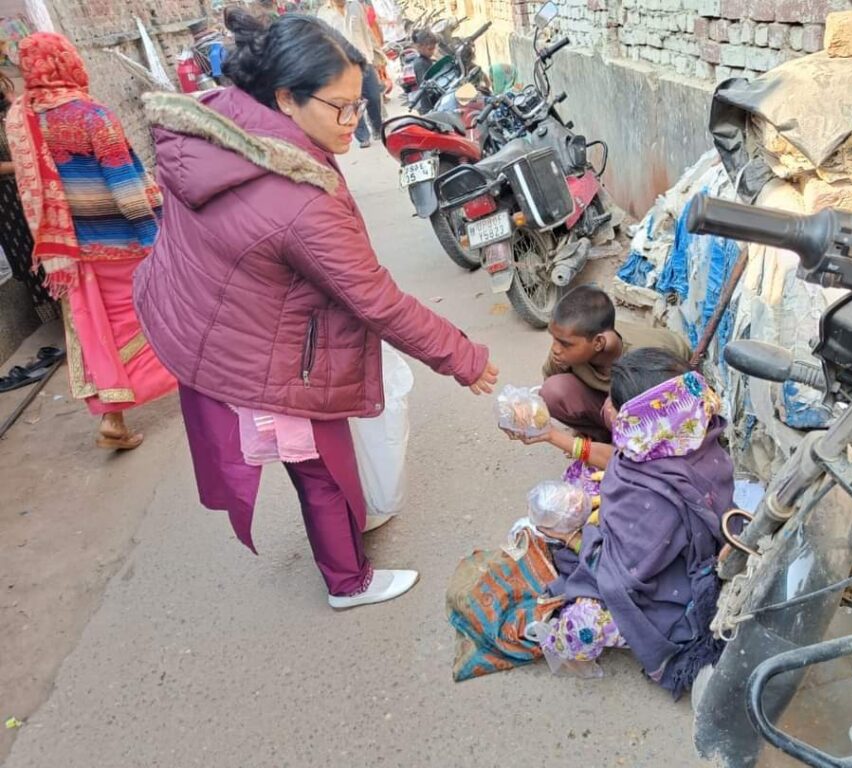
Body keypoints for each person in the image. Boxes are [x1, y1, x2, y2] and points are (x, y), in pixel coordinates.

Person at [134, 10, 498, 610]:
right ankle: (347, 582)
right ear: (285, 97)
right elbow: (375, 298)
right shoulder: (299, 201)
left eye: (360, 105)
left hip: (212, 318)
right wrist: (464, 356)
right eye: (341, 108)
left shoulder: (219, 125)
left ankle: (348, 550)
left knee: (316, 464)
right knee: (321, 466)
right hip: (259, 345)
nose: (355, 125)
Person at [7, 34, 176, 449]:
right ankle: (196, 380)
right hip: (121, 241)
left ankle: (113, 417)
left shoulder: (22, 120)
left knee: (96, 328)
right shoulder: (90, 115)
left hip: (68, 251)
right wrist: (156, 239)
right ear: (68, 62)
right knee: (153, 311)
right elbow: (123, 183)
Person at [541, 348, 735, 697]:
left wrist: (574, 539)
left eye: (615, 407)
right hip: (677, 549)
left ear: (640, 421)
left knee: (577, 630)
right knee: (581, 482)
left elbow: (626, 574)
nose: (609, 411)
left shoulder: (651, 494)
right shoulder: (695, 439)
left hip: (670, 591)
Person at [540, 285, 691, 442]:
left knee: (611, 408)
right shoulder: (575, 341)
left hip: (659, 398)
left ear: (598, 343)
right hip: (615, 401)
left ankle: (626, 452)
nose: (555, 349)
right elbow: (550, 379)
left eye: (564, 344)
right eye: (554, 339)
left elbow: (674, 404)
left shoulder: (643, 360)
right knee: (552, 391)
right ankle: (601, 439)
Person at [0, 72, 57, 323]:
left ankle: (71, 311)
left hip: (29, 188)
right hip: (7, 199)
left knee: (48, 244)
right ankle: (53, 319)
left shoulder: (8, 103)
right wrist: (24, 164)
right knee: (29, 255)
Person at [317, 0, 383, 148]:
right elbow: (323, 43)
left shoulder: (355, 6)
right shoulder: (323, 14)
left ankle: (377, 127)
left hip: (364, 59)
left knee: (373, 95)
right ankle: (362, 136)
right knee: (351, 101)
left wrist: (375, 55)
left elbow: (366, 31)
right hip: (341, 66)